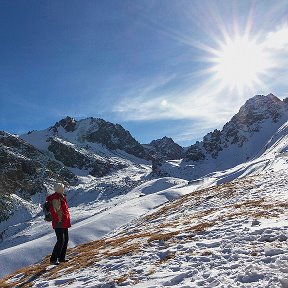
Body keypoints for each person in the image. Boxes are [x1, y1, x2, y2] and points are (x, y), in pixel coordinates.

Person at [46, 183, 71, 265]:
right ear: (60, 189)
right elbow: (54, 211)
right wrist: (58, 219)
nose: (63, 189)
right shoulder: (55, 198)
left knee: (65, 239)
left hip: (63, 221)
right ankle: (53, 259)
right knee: (60, 240)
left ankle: (61, 258)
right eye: (62, 188)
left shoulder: (61, 196)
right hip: (59, 222)